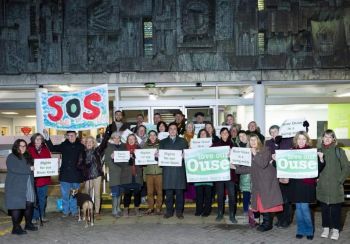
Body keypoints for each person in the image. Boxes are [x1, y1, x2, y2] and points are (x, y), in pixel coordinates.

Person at [234, 133, 283, 232]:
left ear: (258, 141)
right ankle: (266, 223)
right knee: (261, 203)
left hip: (267, 181)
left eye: (254, 140)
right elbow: (248, 168)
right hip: (258, 182)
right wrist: (235, 168)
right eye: (251, 140)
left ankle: (267, 224)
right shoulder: (249, 153)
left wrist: (255, 154)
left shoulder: (265, 150)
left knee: (267, 203)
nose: (252, 142)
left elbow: (263, 164)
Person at [288, 131, 325, 240]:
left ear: (307, 140)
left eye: (303, 139)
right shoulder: (292, 152)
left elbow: (318, 168)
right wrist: (277, 158)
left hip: (307, 185)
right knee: (298, 209)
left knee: (304, 208)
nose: (301, 141)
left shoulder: (311, 152)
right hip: (295, 184)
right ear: (296, 140)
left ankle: (309, 230)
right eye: (299, 139)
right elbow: (284, 167)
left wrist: (321, 159)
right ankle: (300, 230)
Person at [317, 129, 350, 240]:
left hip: (335, 186)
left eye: (330, 137)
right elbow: (313, 168)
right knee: (324, 209)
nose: (327, 139)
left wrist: (340, 180)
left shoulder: (339, 151)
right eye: (325, 136)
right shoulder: (318, 151)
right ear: (322, 138)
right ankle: (326, 228)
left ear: (333, 139)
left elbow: (346, 167)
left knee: (336, 210)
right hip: (322, 186)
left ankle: (336, 230)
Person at [44, 129, 85, 218]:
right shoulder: (64, 145)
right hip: (65, 175)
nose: (70, 138)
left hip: (76, 175)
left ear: (76, 135)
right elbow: (52, 148)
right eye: (68, 136)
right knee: (65, 195)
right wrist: (47, 138)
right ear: (66, 136)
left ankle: (74, 211)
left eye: (72, 136)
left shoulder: (81, 146)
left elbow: (85, 160)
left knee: (74, 195)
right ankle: (66, 211)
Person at [5, 139, 38, 234]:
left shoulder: (28, 156)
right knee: (17, 207)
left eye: (24, 146)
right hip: (16, 186)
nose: (23, 148)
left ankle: (28, 224)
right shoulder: (11, 157)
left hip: (28, 184)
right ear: (16, 147)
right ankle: (16, 228)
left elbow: (34, 168)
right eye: (21, 146)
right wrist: (30, 169)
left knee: (29, 204)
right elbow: (14, 169)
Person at [78, 127, 111, 216]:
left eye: (91, 142)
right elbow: (79, 165)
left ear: (93, 143)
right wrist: (85, 166)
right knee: (87, 193)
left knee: (97, 194)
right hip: (87, 176)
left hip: (97, 175)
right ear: (85, 143)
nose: (89, 143)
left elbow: (104, 144)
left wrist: (107, 134)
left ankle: (96, 211)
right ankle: (87, 209)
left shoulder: (97, 151)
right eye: (87, 142)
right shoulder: (83, 153)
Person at [160, 122, 188, 219]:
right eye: (171, 129)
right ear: (168, 130)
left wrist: (185, 156)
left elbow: (187, 156)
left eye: (174, 129)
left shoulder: (183, 141)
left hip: (179, 171)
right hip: (168, 172)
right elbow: (160, 158)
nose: (172, 130)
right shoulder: (163, 142)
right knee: (169, 194)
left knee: (180, 194)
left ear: (177, 130)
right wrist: (156, 156)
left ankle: (179, 212)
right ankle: (169, 212)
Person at [212, 127, 237, 223]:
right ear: (220, 134)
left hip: (230, 174)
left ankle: (232, 215)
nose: (225, 134)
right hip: (219, 174)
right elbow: (208, 154)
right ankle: (220, 213)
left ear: (229, 134)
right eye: (223, 132)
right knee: (220, 195)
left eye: (226, 132)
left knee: (232, 195)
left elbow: (238, 157)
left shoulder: (233, 145)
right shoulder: (216, 145)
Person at [27, 133, 52, 224]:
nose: (38, 141)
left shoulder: (45, 149)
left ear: (42, 140)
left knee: (42, 199)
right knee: (33, 199)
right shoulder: (29, 149)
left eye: (40, 139)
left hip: (44, 179)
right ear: (33, 140)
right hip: (33, 179)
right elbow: (26, 162)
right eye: (36, 139)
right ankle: (34, 216)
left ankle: (42, 215)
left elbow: (49, 162)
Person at [119, 134, 143, 217]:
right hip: (127, 175)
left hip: (137, 175)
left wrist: (138, 161)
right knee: (127, 193)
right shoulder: (123, 149)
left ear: (135, 140)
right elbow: (118, 162)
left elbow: (144, 162)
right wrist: (114, 158)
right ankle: (126, 210)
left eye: (133, 138)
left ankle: (137, 209)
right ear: (127, 140)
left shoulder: (139, 149)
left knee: (137, 193)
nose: (131, 140)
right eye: (129, 139)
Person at [104, 132, 124, 217]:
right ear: (112, 139)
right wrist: (113, 167)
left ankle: (118, 208)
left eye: (118, 138)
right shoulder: (109, 148)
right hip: (114, 173)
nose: (116, 139)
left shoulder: (123, 146)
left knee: (120, 191)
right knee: (115, 192)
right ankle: (114, 210)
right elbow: (107, 161)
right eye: (114, 138)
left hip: (123, 173)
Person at [194, 129, 213, 217]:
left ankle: (207, 210)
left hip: (208, 172)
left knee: (208, 194)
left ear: (207, 136)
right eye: (201, 134)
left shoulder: (212, 146)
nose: (203, 135)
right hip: (198, 172)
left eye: (204, 134)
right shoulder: (194, 146)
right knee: (199, 193)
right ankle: (199, 210)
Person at [143, 130, 163, 215]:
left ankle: (158, 208)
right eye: (150, 135)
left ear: (156, 136)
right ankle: (150, 208)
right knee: (149, 192)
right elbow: (142, 161)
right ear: (148, 136)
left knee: (160, 192)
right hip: (149, 172)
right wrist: (144, 174)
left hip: (159, 172)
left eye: (154, 135)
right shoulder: (145, 146)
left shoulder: (162, 145)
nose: (152, 137)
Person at [234, 130, 251, 216]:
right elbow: (236, 162)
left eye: (243, 135)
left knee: (254, 193)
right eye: (240, 136)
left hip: (254, 173)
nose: (242, 137)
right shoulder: (238, 148)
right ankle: (245, 210)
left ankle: (255, 210)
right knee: (246, 193)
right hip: (244, 174)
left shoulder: (252, 144)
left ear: (246, 135)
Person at [183, 122, 196, 202]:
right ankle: (185, 196)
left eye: (191, 126)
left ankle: (192, 196)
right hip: (184, 160)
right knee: (185, 179)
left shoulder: (196, 136)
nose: (190, 128)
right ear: (186, 128)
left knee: (192, 178)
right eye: (188, 126)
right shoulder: (181, 136)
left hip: (194, 159)